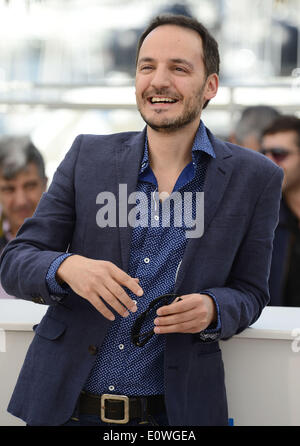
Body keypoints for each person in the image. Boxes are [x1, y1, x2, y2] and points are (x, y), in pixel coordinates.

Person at [0, 14, 283, 427]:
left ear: (210, 86)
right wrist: (67, 267)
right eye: (147, 66)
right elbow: (15, 261)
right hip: (65, 409)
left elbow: (252, 292)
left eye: (179, 68)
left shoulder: (256, 177)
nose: (159, 81)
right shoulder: (86, 156)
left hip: (174, 415)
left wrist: (212, 308)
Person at [0, 136, 47, 298]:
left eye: (30, 186)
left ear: (45, 184)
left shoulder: (74, 241)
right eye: (9, 189)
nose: (21, 201)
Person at [260, 115, 300, 306]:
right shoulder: (263, 215)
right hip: (278, 332)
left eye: (279, 154)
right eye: (263, 153)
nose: (269, 162)